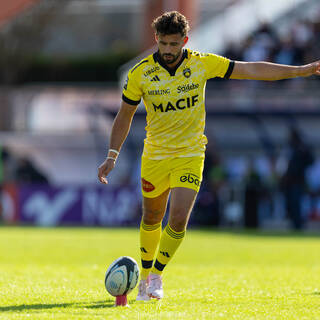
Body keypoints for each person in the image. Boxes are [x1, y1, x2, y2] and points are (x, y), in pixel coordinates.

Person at [98, 11, 320, 300]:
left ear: (185, 41)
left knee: (177, 219)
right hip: (155, 155)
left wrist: (301, 70)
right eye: (163, 43)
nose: (167, 50)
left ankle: (156, 277)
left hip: (190, 154)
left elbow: (251, 69)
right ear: (157, 39)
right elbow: (125, 115)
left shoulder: (202, 64)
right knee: (152, 217)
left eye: (173, 44)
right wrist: (112, 156)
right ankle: (143, 273)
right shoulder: (140, 73)